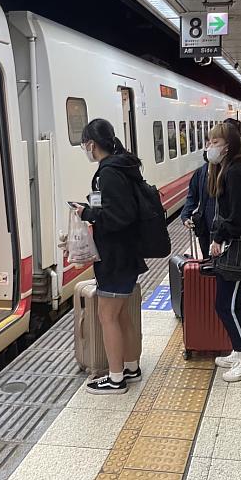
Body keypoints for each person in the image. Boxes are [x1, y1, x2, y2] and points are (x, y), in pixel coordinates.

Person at [76, 119, 148, 395]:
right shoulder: (119, 166)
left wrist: (87, 213)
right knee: (122, 316)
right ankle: (131, 367)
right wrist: (89, 207)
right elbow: (111, 207)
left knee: (107, 317)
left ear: (92, 144)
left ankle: (116, 378)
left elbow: (119, 216)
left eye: (85, 145)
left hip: (116, 255)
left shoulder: (109, 172)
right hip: (126, 253)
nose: (85, 149)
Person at [208, 123, 241, 382]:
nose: (210, 147)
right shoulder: (233, 168)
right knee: (234, 303)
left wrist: (219, 236)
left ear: (228, 145)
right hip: (237, 248)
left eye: (215, 142)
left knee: (225, 305)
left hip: (239, 250)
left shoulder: (235, 172)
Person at [181, 150, 215, 258]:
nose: (210, 147)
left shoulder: (228, 172)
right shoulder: (201, 173)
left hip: (223, 227)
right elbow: (192, 196)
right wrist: (185, 215)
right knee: (207, 260)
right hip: (204, 226)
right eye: (209, 144)